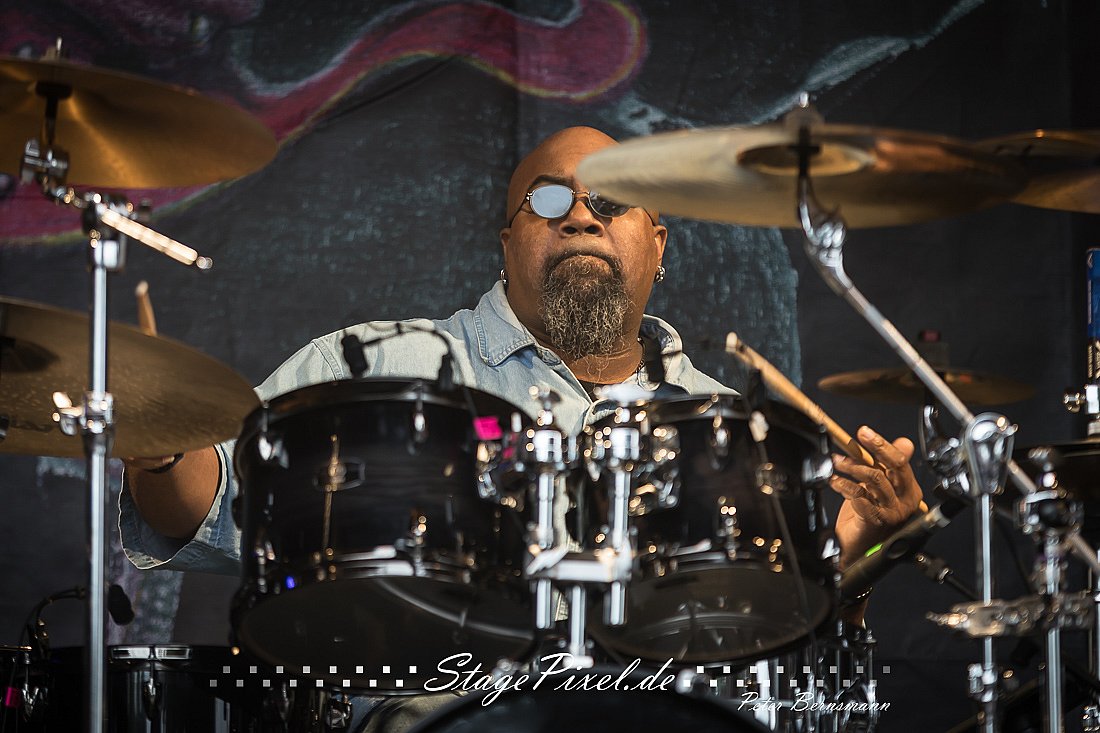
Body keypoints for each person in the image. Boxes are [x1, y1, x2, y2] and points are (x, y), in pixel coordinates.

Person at [121, 126, 924, 729]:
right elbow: (211, 501)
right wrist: (158, 444)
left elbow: (785, 684)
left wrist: (849, 572)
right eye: (546, 201)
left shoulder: (731, 430)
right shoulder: (374, 366)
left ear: (659, 244)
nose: (578, 216)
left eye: (611, 201)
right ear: (508, 242)